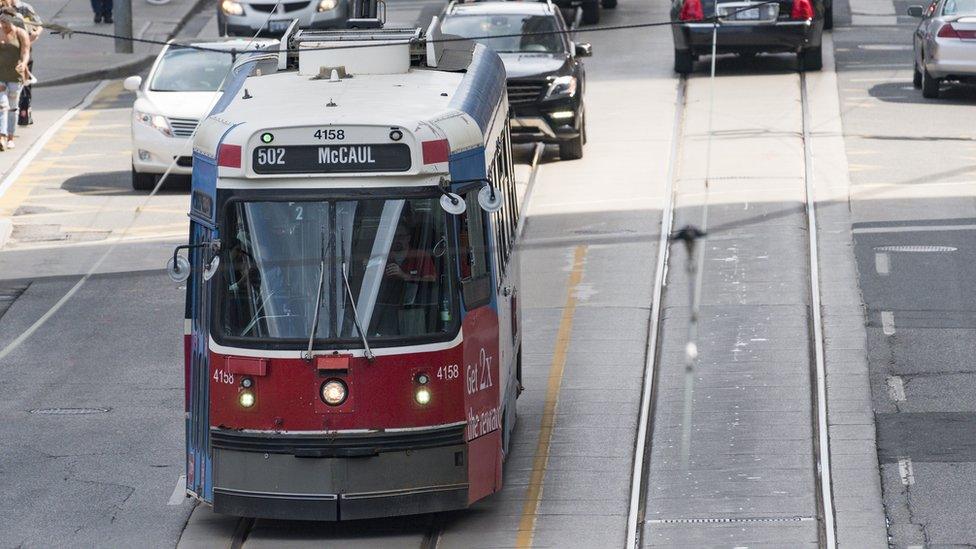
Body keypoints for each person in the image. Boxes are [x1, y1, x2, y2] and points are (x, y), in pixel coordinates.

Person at [0, 0, 40, 126]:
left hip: (21, 52)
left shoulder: (24, 8)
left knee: (23, 86)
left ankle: (24, 111)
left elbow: (38, 24)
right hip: (4, 56)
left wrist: (34, 35)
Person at [0, 10, 29, 151]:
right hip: (0, 75)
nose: (3, 25)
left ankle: (11, 136)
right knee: (1, 105)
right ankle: (2, 136)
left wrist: (23, 64)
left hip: (15, 76)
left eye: (6, 22)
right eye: (1, 21)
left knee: (12, 107)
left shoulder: (21, 34)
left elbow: (25, 52)